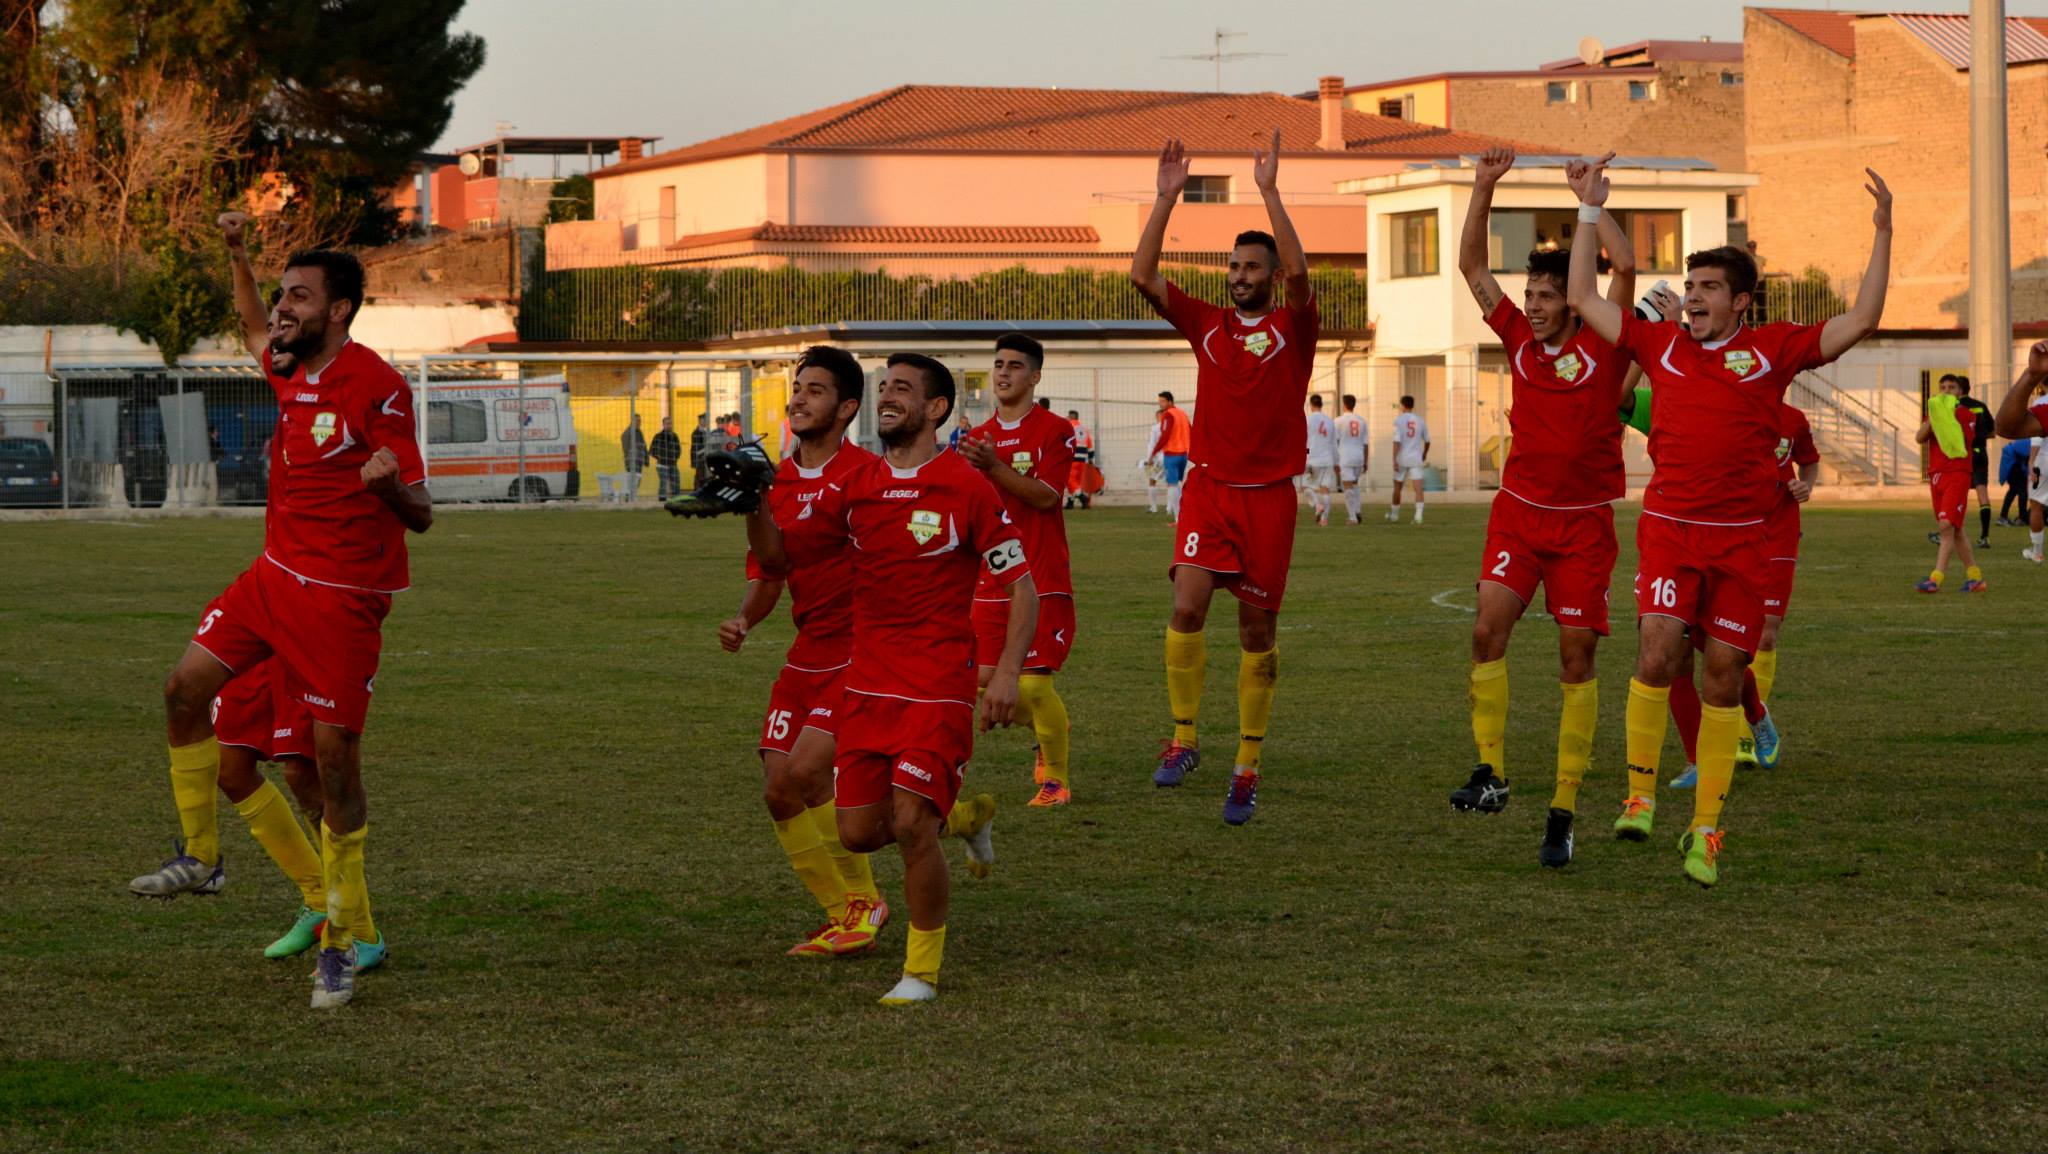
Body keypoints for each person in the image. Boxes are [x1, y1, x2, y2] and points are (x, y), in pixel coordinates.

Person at [1566, 154, 1890, 887]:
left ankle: (1706, 833)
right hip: (1672, 532)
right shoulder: (1659, 345)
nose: (1694, 298)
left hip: (1746, 543)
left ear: (1743, 302)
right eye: (1690, 287)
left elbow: (1863, 319)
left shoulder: (1771, 351)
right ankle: (1640, 795)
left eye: (1710, 288)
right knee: (1655, 653)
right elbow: (1584, 293)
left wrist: (1883, 231)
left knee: (1721, 679)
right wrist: (1589, 209)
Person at [137, 240, 432, 1008]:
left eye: (298, 297)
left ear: (338, 310)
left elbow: (423, 515)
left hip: (338, 602)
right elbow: (247, 323)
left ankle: (343, 936)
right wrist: (236, 253)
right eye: (281, 295)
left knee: (332, 773)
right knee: (182, 691)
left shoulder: (379, 387)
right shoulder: (289, 366)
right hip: (271, 580)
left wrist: (391, 487)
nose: (281, 308)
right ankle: (203, 856)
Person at [751, 352, 1031, 1005]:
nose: (889, 396)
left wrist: (1007, 674)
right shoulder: (858, 485)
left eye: (904, 388)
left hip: (937, 685)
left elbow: (1022, 586)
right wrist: (750, 506)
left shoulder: (966, 487)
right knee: (857, 832)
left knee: (908, 823)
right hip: (866, 686)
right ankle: (962, 819)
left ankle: (921, 973)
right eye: (887, 387)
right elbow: (780, 558)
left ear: (936, 409)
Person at [1445, 148, 1637, 871]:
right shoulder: (1518, 338)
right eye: (1530, 293)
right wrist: (1483, 185)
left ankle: (1563, 811)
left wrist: (1594, 203)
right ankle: (1491, 775)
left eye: (1546, 295)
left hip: (1584, 525)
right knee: (1486, 631)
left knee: (1575, 657)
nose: (1532, 303)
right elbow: (1470, 267)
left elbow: (1624, 269)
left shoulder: (1607, 344)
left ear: (1571, 299)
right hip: (1519, 515)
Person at [1133, 131, 1317, 825]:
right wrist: (1165, 198)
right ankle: (1183, 738)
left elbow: (1302, 278)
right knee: (1186, 608)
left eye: (1251, 266)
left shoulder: (1295, 327)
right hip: (1207, 490)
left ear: (1268, 275)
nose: (1240, 275)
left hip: (1269, 498)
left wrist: (1269, 191)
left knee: (1255, 630)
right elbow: (1144, 278)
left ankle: (1246, 764)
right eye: (1234, 266)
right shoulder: (1206, 324)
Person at [727, 346, 888, 958]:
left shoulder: (867, 477)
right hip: (808, 650)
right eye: (797, 387)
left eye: (815, 390)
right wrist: (745, 618)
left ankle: (864, 903)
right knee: (777, 788)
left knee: (809, 770)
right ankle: (841, 912)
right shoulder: (777, 479)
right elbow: (771, 567)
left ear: (846, 408)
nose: (798, 398)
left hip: (862, 650)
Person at [959, 334, 1079, 807]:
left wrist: (994, 466)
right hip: (991, 577)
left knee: (1031, 681)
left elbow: (1048, 497)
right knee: (976, 679)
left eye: (1014, 365)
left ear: (1034, 377)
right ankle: (1049, 724)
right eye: (998, 364)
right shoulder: (976, 437)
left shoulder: (1054, 430)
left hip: (1042, 575)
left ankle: (1056, 782)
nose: (1003, 373)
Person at [1917, 381, 1987, 593]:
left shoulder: (1965, 414)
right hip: (1936, 474)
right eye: (1943, 388)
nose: (1947, 391)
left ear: (1960, 392)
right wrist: (1933, 419)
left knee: (1946, 525)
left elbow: (1966, 439)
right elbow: (1920, 438)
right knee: (1955, 529)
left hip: (1957, 473)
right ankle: (1975, 578)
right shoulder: (1934, 413)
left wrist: (1949, 415)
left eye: (1952, 388)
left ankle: (1935, 578)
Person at [2000, 347, 2048, 561]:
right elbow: (2005, 428)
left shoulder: (2041, 402)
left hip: (2043, 460)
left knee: (2036, 504)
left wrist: (2032, 461)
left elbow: (2013, 431)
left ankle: (2037, 552)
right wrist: (2031, 376)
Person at [1951, 376, 1995, 547]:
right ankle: (1985, 537)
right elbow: (1993, 432)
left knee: (1956, 494)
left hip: (1963, 454)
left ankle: (1947, 533)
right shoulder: (1981, 406)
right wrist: (1980, 437)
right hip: (1980, 453)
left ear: (1959, 390)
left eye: (1952, 388)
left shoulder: (1954, 407)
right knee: (1982, 494)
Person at [1148, 391, 1192, 517]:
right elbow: (1191, 430)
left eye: (1162, 401)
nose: (1160, 404)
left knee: (1171, 484)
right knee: (1177, 483)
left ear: (1170, 402)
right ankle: (1180, 515)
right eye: (1159, 401)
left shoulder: (1168, 415)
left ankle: (1178, 517)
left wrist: (1154, 452)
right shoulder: (1182, 413)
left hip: (1172, 454)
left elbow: (1165, 436)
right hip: (1183, 454)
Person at [1387, 395, 1430, 523]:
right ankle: (1418, 516)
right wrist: (1424, 454)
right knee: (1418, 487)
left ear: (1402, 406)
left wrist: (1394, 459)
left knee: (1397, 487)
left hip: (1402, 458)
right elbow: (1428, 441)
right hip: (1416, 457)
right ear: (1412, 405)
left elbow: (1397, 441)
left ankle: (1394, 515)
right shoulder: (1420, 420)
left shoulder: (1398, 420)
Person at [1303, 393, 1337, 527]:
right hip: (1328, 459)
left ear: (1311, 405)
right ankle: (1323, 519)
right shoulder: (1330, 421)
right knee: (1325, 490)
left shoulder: (1308, 420)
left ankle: (1317, 505)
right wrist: (1336, 461)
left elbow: (1303, 441)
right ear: (1321, 405)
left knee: (1305, 487)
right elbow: (1334, 443)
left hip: (1313, 459)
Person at [1334, 394, 1368, 524]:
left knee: (1347, 486)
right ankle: (1357, 510)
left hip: (1345, 457)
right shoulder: (1361, 421)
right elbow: (1366, 443)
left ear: (1344, 405)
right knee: (1354, 484)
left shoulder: (1338, 421)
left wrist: (1335, 460)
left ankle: (1352, 517)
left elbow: (1335, 442)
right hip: (1359, 456)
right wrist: (1366, 461)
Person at [1999, 433, 2034, 526]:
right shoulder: (2035, 441)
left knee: (2012, 491)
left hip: (2012, 468)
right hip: (2016, 468)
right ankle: (2022, 518)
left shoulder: (2026, 439)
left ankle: (2003, 516)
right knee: (2022, 493)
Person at [649, 416, 683, 500]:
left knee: (676, 481)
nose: (669, 425)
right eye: (667, 424)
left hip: (673, 463)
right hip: (662, 464)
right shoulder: (658, 436)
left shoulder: (675, 436)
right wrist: (660, 458)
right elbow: (652, 451)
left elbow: (679, 449)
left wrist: (676, 457)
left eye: (670, 423)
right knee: (663, 482)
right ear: (663, 425)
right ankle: (662, 500)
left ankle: (676, 498)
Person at [619, 414, 649, 503]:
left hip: (639, 460)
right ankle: (629, 497)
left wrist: (646, 458)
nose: (639, 422)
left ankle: (633, 495)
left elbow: (644, 445)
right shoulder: (628, 432)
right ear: (632, 421)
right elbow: (626, 446)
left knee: (637, 479)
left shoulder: (639, 432)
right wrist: (630, 456)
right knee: (631, 479)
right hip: (631, 461)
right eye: (637, 420)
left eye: (640, 420)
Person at [689, 413, 710, 481]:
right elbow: (696, 448)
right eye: (705, 420)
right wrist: (705, 449)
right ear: (701, 421)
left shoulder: (706, 431)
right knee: (700, 476)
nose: (707, 421)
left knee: (702, 476)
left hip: (704, 458)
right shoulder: (696, 432)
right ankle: (697, 489)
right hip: (699, 458)